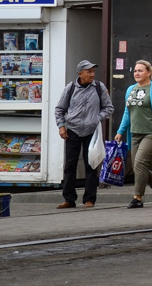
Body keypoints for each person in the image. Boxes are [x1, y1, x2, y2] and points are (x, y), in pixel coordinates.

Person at [53, 59, 114, 209]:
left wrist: (97, 118)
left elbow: (108, 108)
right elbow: (59, 109)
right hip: (72, 131)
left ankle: (89, 199)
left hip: (91, 132)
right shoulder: (70, 88)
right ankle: (69, 199)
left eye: (93, 71)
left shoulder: (99, 87)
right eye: (89, 72)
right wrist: (61, 126)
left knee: (91, 165)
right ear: (80, 73)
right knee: (70, 165)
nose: (92, 74)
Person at [114, 60, 152, 208]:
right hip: (135, 134)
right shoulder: (130, 90)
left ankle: (138, 197)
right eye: (135, 71)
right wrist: (120, 131)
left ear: (149, 73)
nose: (137, 73)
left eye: (140, 70)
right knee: (137, 167)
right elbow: (127, 112)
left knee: (140, 163)